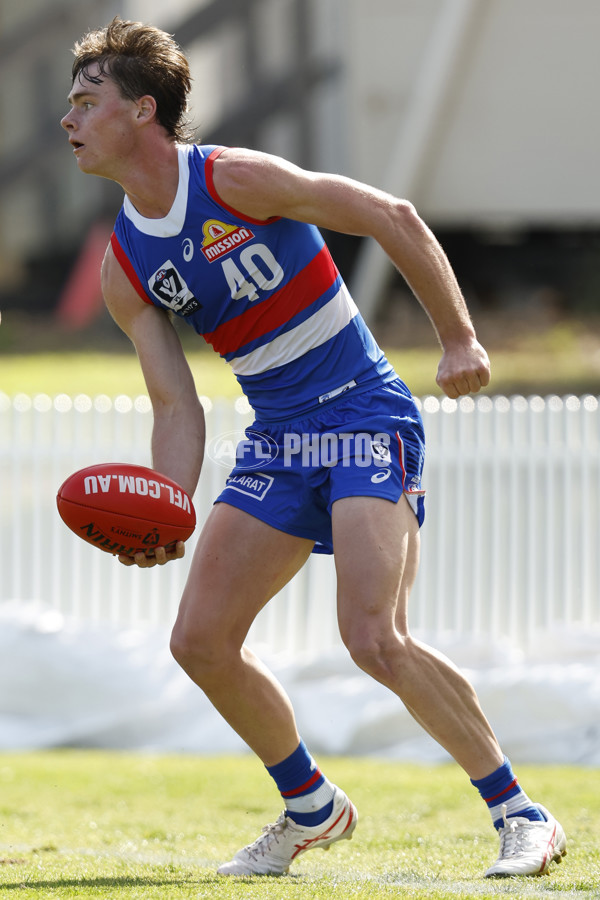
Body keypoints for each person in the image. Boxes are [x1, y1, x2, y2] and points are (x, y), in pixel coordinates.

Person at [61, 17, 566, 879]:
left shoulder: (234, 178)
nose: (67, 119)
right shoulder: (124, 267)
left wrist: (458, 339)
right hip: (278, 438)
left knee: (374, 637)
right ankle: (311, 808)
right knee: (199, 640)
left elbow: (389, 214)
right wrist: (167, 509)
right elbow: (174, 406)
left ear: (144, 110)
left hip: (365, 413)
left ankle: (521, 813)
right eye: (67, 104)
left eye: (86, 100)